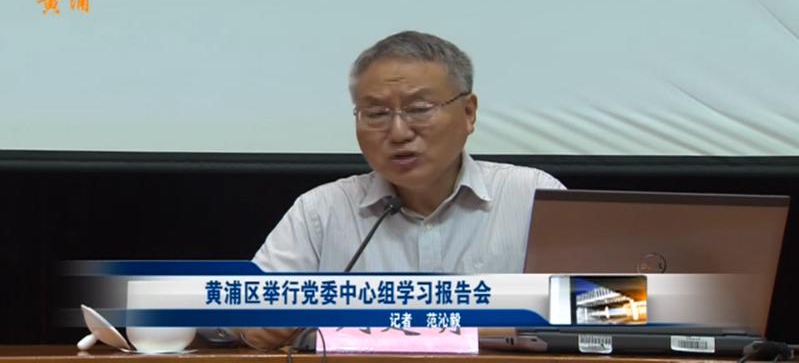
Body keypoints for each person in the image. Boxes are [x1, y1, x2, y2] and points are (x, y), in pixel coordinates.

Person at [238, 30, 565, 349]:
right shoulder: (321, 211)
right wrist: (251, 325)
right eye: (376, 114)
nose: (398, 132)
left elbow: (586, 314)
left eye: (419, 109)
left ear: (468, 113)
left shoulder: (532, 196)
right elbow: (238, 313)